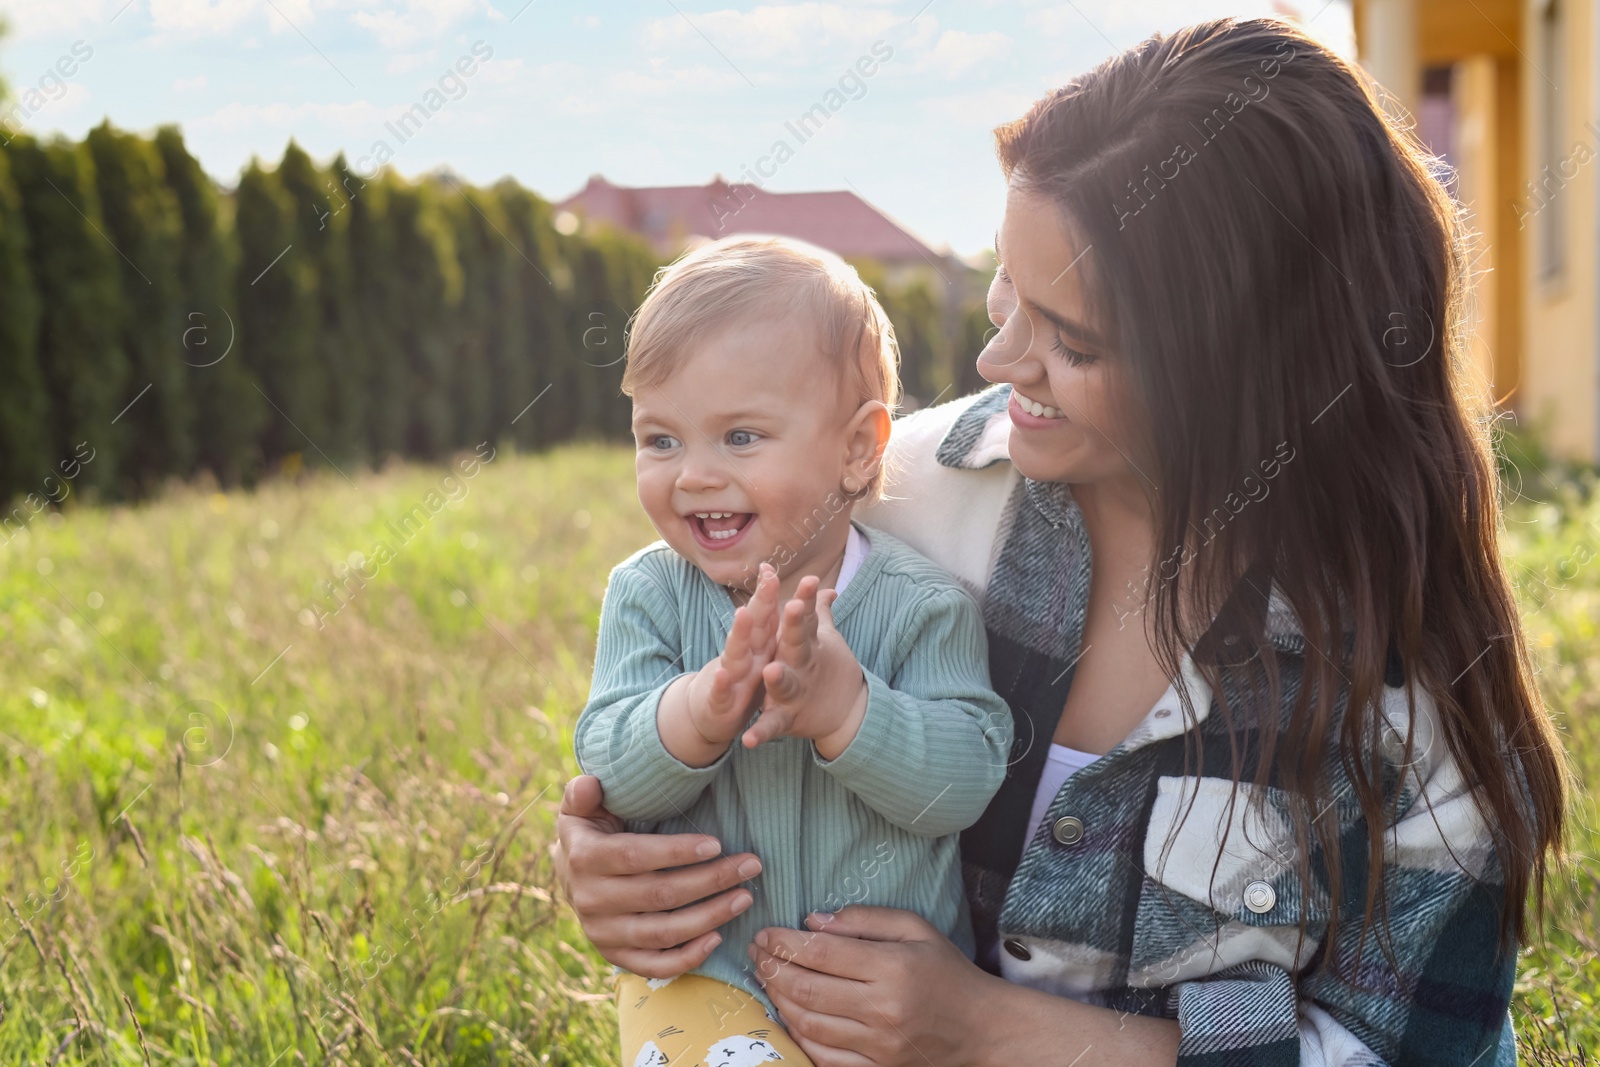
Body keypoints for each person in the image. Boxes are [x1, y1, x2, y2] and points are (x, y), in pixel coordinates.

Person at [556, 18, 1569, 1067]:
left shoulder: (1406, 678)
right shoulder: (881, 498)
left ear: (1242, 370)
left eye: (1071, 340)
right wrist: (601, 860)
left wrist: (989, 1029)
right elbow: (663, 727)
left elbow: (1405, 1047)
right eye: (1007, 290)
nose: (998, 356)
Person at [573, 234, 1013, 1067]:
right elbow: (609, 768)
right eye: (660, 439)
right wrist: (697, 711)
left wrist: (850, 711)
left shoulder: (923, 607)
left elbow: (964, 783)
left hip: (881, 1000)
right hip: (708, 980)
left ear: (856, 449)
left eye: (740, 437)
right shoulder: (649, 595)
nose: (693, 475)